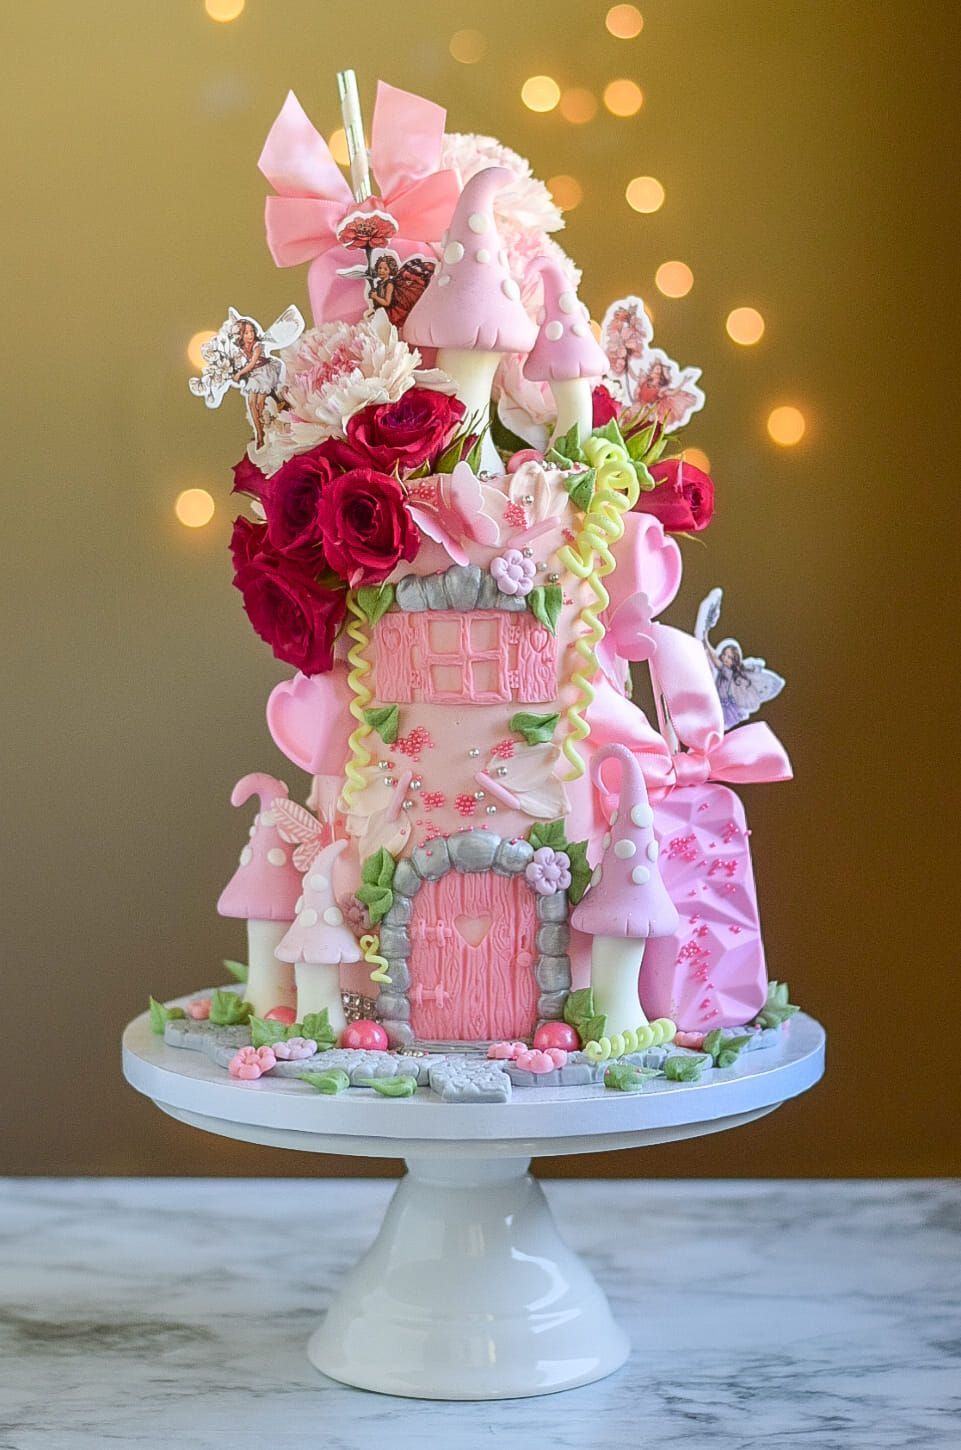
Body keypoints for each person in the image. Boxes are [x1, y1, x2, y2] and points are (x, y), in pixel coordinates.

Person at [230, 317, 285, 450]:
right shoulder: (241, 348)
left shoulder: (257, 346)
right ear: (240, 335)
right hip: (254, 375)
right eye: (246, 333)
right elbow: (241, 362)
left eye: (252, 331)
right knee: (251, 403)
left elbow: (252, 363)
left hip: (264, 373)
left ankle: (265, 431)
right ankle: (259, 434)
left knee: (260, 404)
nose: (250, 335)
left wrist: (239, 374)